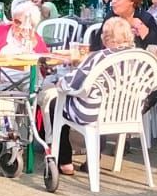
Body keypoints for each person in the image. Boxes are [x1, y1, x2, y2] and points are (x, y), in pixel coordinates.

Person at [38, 16, 135, 174]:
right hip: (126, 112)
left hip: (94, 113)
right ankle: (93, 160)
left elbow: (73, 81)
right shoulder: (140, 56)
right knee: (99, 102)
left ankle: (64, 162)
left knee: (57, 103)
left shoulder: (100, 56)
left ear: (106, 37)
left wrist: (60, 83)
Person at [0, 0, 46, 87]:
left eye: (23, 24)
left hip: (31, 83)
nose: (17, 25)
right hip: (3, 82)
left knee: (50, 92)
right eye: (16, 21)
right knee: (4, 96)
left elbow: (46, 63)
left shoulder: (36, 38)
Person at [88, 0, 157, 52]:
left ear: (132, 0)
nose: (113, 1)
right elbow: (96, 46)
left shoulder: (145, 18)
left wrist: (140, 28)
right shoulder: (111, 16)